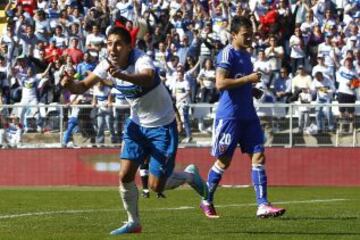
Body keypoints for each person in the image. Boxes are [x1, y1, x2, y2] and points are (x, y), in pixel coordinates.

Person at [61, 26, 208, 235]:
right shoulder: (106, 64)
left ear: (129, 47)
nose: (113, 48)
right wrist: (68, 84)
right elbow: (82, 86)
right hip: (137, 125)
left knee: (157, 186)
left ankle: (190, 176)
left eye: (118, 44)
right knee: (125, 175)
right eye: (109, 43)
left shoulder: (141, 59)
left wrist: (121, 75)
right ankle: (133, 222)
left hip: (162, 126)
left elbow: (148, 77)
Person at [199, 16, 286, 219]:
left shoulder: (246, 56)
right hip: (229, 117)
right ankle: (206, 199)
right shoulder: (227, 54)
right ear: (234, 35)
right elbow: (220, 83)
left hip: (248, 114)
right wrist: (248, 79)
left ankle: (262, 204)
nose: (249, 39)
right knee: (223, 162)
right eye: (246, 35)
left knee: (259, 155)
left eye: (251, 35)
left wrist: (250, 89)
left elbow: (238, 82)